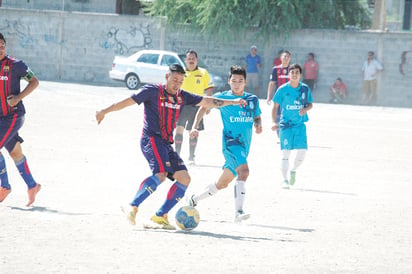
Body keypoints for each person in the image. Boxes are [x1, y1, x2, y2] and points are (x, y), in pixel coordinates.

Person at [95, 64, 246, 230]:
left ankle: (160, 216)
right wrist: (104, 111)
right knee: (160, 174)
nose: (177, 84)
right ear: (167, 77)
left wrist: (232, 102)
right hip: (151, 139)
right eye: (175, 80)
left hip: (166, 144)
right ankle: (132, 206)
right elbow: (127, 102)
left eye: (181, 81)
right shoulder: (152, 91)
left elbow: (208, 101)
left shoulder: (182, 96)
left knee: (184, 178)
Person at [187, 65, 262, 223]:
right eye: (234, 80)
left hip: (244, 146)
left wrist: (258, 124)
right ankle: (238, 212)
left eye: (240, 81)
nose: (237, 84)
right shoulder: (223, 98)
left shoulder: (252, 100)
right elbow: (204, 106)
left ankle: (194, 199)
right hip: (231, 144)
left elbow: (256, 115)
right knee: (244, 172)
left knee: (221, 183)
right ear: (229, 81)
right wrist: (195, 127)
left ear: (245, 82)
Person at [0, 33, 41, 206]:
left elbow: (34, 82)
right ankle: (32, 186)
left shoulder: (16, 65)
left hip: (13, 116)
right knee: (15, 152)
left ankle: (4, 186)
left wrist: (18, 97)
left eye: (2, 45)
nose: (1, 48)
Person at [271, 64, 313, 188]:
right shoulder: (282, 89)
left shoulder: (305, 89)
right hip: (285, 125)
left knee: (302, 151)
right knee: (286, 153)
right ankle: (284, 179)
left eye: (297, 72)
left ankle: (293, 169)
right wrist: (274, 122)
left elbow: (310, 104)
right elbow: (275, 107)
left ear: (300, 75)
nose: (294, 74)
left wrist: (305, 109)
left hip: (300, 125)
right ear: (288, 74)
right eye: (292, 72)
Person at [174, 50, 214, 165]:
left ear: (197, 60)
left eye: (193, 58)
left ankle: (191, 157)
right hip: (181, 105)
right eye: (189, 59)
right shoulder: (180, 73)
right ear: (185, 60)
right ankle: (177, 156)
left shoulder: (203, 72)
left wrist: (208, 106)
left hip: (197, 106)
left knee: (193, 131)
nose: (191, 60)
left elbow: (209, 89)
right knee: (179, 130)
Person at [266, 50, 291, 138]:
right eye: (284, 56)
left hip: (290, 96)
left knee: (289, 113)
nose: (286, 58)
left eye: (288, 56)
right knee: (278, 114)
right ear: (280, 58)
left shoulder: (292, 70)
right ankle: (280, 133)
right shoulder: (276, 69)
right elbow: (272, 83)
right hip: (279, 96)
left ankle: (287, 133)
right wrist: (269, 96)